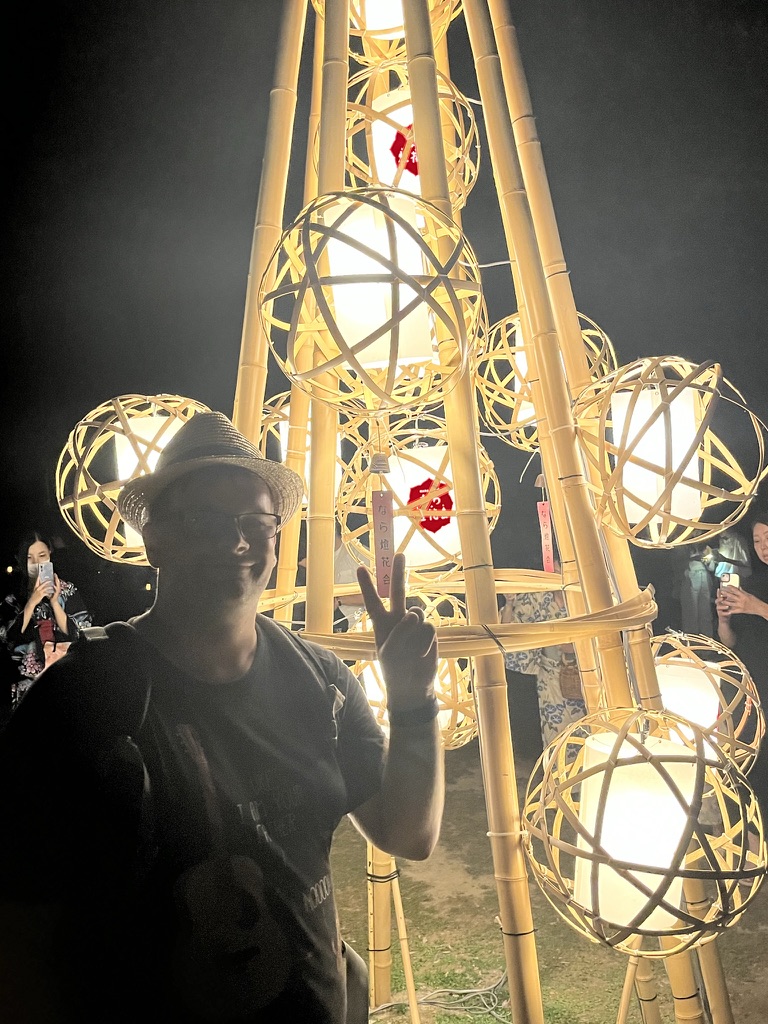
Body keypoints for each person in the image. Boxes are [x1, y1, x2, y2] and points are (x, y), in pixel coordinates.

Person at [0, 411, 443, 1024]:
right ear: (155, 541)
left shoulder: (322, 681)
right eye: (207, 521)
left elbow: (408, 834)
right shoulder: (83, 697)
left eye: (256, 524)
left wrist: (414, 700)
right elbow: (18, 933)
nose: (237, 542)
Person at [0, 530, 92, 708]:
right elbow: (8, 638)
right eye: (30, 558)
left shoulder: (67, 590)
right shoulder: (13, 599)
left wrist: (55, 603)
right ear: (22, 561)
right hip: (27, 687)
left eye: (42, 556)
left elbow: (82, 632)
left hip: (64, 681)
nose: (37, 563)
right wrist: (31, 602)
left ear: (50, 553)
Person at [715, 509, 768, 818]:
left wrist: (756, 606)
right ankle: (749, 834)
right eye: (757, 540)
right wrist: (724, 620)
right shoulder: (751, 584)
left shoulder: (753, 596)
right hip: (749, 688)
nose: (763, 546)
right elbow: (730, 643)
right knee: (748, 764)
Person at [500, 575, 586, 747]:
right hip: (550, 678)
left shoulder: (586, 597)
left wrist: (577, 645)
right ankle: (556, 764)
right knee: (556, 736)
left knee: (589, 730)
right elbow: (508, 632)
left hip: (587, 673)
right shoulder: (538, 597)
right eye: (555, 570)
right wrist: (509, 603)